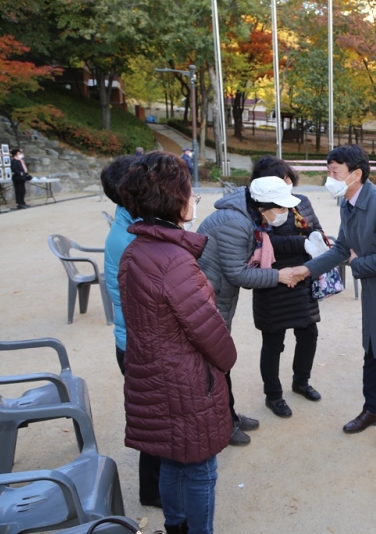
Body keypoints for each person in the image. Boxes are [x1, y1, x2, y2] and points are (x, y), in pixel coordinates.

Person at [118, 151, 237, 534]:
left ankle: (176, 525)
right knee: (201, 469)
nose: (193, 201)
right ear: (173, 199)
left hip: (153, 374)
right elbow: (209, 331)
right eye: (190, 193)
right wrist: (227, 360)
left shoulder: (136, 250)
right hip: (183, 381)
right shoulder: (175, 259)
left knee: (171, 460)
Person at [289, 144, 376, 446]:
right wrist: (306, 270)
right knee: (373, 355)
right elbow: (340, 248)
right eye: (329, 171)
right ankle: (373, 410)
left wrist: (355, 262)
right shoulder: (347, 204)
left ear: (357, 174)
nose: (330, 177)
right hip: (375, 295)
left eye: (334, 172)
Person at [196, 177, 300, 440]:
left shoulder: (248, 217)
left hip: (219, 295)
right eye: (281, 208)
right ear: (264, 204)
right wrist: (279, 276)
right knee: (214, 366)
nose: (284, 214)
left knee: (219, 364)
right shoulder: (237, 223)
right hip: (211, 299)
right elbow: (237, 274)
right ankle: (221, 425)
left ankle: (227, 415)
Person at [101, 154, 162, 509]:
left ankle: (156, 486)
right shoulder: (129, 240)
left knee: (156, 417)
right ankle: (153, 492)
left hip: (138, 339)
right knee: (154, 421)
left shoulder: (136, 225)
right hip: (140, 343)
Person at [250, 156, 324, 418]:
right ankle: (274, 395)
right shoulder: (257, 207)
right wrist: (302, 243)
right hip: (273, 281)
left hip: (302, 278)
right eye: (281, 180)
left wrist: (317, 241)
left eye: (288, 179)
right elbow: (260, 243)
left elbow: (316, 229)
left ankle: (301, 381)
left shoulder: (301, 201)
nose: (287, 184)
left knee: (309, 334)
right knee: (273, 343)